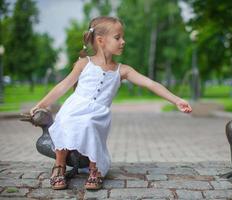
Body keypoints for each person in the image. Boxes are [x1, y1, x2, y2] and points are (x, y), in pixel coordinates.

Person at [30, 16, 192, 190]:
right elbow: (63, 86)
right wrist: (41, 104)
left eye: (122, 37)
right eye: (118, 37)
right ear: (100, 40)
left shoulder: (122, 70)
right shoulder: (84, 64)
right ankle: (59, 166)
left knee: (89, 123)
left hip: (98, 113)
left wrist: (176, 99)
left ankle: (95, 169)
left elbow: (151, 84)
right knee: (66, 120)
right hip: (75, 106)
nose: (123, 41)